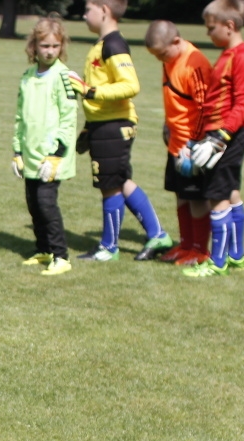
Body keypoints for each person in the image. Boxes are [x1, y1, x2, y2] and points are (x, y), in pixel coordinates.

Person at [69, 0, 173, 261]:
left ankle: (109, 247)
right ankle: (158, 235)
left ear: (104, 10)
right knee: (120, 181)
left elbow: (130, 85)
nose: (84, 15)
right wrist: (89, 127)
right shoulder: (102, 44)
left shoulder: (114, 45)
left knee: (110, 186)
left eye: (88, 9)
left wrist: (90, 91)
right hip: (103, 124)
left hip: (114, 125)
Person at [182, 0, 244, 277]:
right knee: (230, 191)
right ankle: (236, 256)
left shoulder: (242, 57)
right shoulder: (227, 54)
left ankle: (218, 262)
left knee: (217, 196)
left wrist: (221, 137)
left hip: (228, 135)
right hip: (218, 134)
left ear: (229, 25)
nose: (208, 33)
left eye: (211, 28)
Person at [12, 16, 78, 276]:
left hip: (52, 157)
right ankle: (44, 249)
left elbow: (68, 118)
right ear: (34, 46)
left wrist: (56, 154)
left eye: (55, 46)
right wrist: (17, 151)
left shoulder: (63, 76)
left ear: (62, 46)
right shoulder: (27, 77)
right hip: (30, 154)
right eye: (45, 46)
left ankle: (61, 256)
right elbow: (20, 117)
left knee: (46, 203)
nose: (50, 51)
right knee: (33, 204)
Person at [144, 20, 213, 267]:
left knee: (196, 198)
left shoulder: (195, 64)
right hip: (175, 142)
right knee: (181, 195)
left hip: (192, 147)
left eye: (162, 54)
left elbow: (205, 109)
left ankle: (199, 250)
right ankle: (185, 245)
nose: (160, 60)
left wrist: (194, 143)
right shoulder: (169, 59)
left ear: (176, 41)